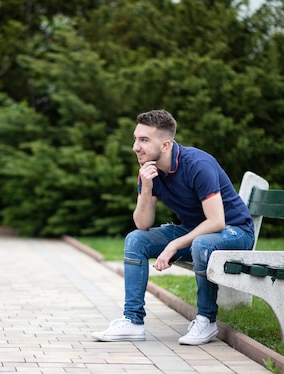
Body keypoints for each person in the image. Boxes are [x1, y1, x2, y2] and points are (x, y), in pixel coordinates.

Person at [92, 109, 255, 345]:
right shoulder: (149, 170)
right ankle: (133, 322)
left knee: (202, 243)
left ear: (166, 145)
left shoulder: (198, 165)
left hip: (235, 232)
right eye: (136, 138)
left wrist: (174, 245)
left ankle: (206, 321)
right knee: (135, 239)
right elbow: (143, 224)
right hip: (197, 233)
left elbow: (217, 221)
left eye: (144, 140)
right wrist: (146, 188)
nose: (136, 146)